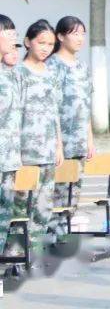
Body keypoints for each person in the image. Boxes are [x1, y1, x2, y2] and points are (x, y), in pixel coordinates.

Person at [8, 20, 62, 258]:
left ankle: (34, 253)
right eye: (41, 42)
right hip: (25, 151)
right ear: (28, 42)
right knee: (20, 206)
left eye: (50, 44)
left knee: (43, 205)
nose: (45, 48)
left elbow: (55, 112)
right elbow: (14, 113)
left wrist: (59, 145)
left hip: (48, 150)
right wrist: (15, 151)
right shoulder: (18, 73)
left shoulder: (51, 73)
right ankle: (15, 255)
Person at [46, 16, 94, 239]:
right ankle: (52, 234)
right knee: (57, 190)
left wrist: (90, 139)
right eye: (74, 33)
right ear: (61, 36)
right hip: (61, 141)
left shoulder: (83, 67)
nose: (80, 39)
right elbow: (51, 108)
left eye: (82, 34)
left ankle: (66, 232)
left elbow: (86, 105)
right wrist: (56, 143)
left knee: (74, 190)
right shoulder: (52, 65)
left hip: (79, 141)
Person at [0, 15, 22, 256]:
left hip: (8, 160)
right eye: (9, 32)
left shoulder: (8, 74)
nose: (14, 37)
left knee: (3, 219)